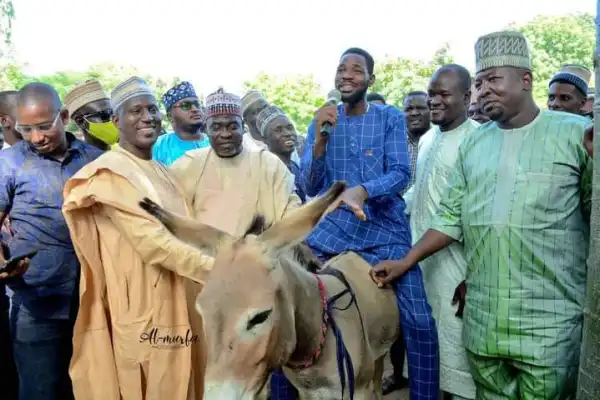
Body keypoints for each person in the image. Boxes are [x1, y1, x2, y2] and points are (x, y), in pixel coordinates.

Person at [372, 30, 591, 399]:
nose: (483, 89)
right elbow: (449, 216)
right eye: (479, 82)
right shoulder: (475, 142)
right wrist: (405, 261)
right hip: (484, 325)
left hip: (549, 326)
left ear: (525, 80)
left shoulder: (575, 135)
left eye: (493, 79)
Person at [300, 47, 439, 399]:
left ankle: (423, 394)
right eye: (341, 69)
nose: (346, 75)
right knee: (285, 295)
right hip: (332, 229)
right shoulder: (321, 120)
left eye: (356, 70)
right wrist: (319, 141)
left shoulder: (389, 118)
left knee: (419, 319)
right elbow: (310, 186)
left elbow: (401, 174)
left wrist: (363, 191)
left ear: (370, 80)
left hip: (384, 228)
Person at [62, 77, 211, 399]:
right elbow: (154, 244)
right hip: (141, 306)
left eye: (152, 108)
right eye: (135, 110)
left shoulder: (162, 171)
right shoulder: (109, 172)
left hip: (182, 297)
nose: (148, 116)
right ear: (116, 121)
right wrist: (221, 270)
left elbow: (187, 231)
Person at [0, 82, 103, 400]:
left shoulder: (96, 160)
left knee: (91, 389)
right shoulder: (10, 163)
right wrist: (3, 263)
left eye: (44, 127)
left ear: (64, 116)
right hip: (36, 302)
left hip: (95, 302)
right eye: (26, 129)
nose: (36, 137)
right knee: (40, 391)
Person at [406, 64, 478, 400]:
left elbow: (479, 216)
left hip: (457, 271)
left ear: (466, 97)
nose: (434, 100)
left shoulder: (478, 140)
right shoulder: (429, 138)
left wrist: (474, 276)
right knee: (428, 361)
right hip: (421, 267)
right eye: (431, 93)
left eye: (443, 94)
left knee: (460, 365)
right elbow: (419, 192)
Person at [171, 87, 300, 234]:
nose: (225, 134)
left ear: (243, 128)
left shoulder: (269, 164)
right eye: (216, 127)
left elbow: (291, 212)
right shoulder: (187, 165)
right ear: (206, 130)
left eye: (232, 126)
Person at [153, 81, 210, 166]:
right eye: (185, 106)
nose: (195, 109)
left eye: (197, 104)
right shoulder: (158, 146)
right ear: (170, 116)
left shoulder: (214, 143)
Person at [257, 104, 306, 203]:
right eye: (278, 130)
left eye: (290, 128)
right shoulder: (266, 171)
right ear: (265, 140)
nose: (288, 133)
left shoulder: (295, 166)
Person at [64, 79, 120, 152]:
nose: (113, 119)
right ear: (80, 122)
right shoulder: (79, 161)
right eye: (104, 115)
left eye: (113, 112)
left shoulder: (125, 152)